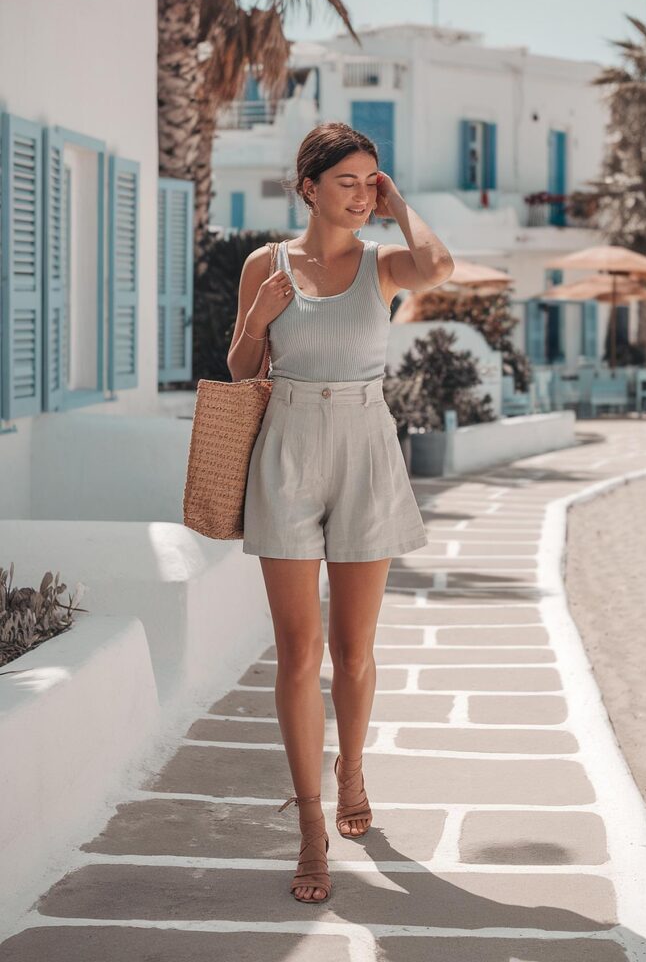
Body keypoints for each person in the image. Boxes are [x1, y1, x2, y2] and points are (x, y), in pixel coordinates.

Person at [226, 122, 454, 903]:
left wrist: (396, 202)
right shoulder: (265, 262)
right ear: (309, 188)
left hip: (364, 444)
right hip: (285, 445)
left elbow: (438, 265)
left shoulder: (383, 263)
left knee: (354, 651)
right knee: (298, 653)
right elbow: (238, 365)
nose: (361, 195)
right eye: (348, 182)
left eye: (371, 181)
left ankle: (352, 769)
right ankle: (311, 828)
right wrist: (258, 313)